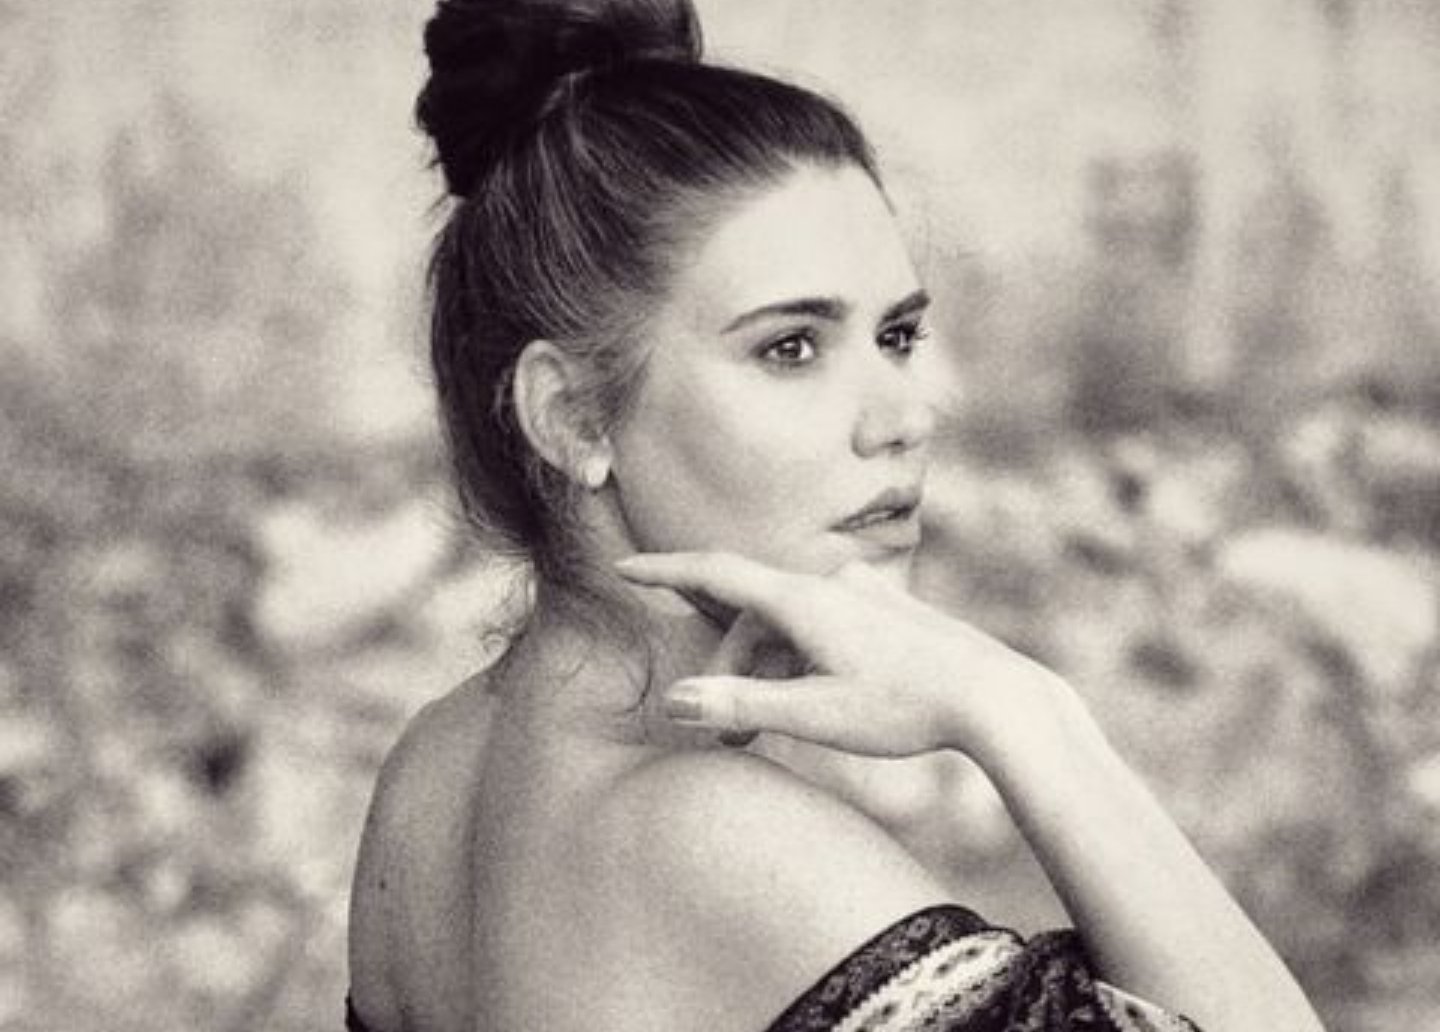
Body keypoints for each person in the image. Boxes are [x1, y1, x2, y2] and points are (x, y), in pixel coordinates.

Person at [347, 1, 1328, 1029]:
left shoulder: (433, 780)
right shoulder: (713, 838)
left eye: (896, 337)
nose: (906, 418)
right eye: (791, 348)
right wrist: (1028, 719)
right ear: (573, 416)